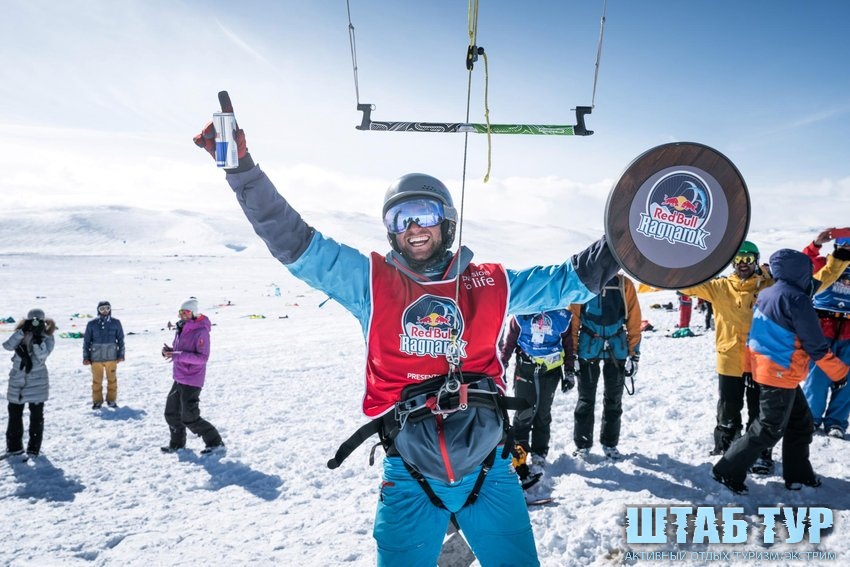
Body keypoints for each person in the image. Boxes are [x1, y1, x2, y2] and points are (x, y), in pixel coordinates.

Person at [194, 119, 619, 566]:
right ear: (391, 231)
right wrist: (242, 170)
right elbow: (295, 242)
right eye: (400, 218)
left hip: (490, 473)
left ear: (447, 222)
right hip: (409, 476)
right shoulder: (370, 282)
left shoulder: (491, 283)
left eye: (425, 213)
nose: (414, 226)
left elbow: (568, 280)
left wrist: (626, 241)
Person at [712, 249, 849, 494]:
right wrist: (839, 374)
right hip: (780, 372)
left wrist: (749, 368)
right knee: (768, 428)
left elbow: (754, 335)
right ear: (800, 271)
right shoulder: (797, 300)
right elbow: (815, 344)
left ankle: (799, 475)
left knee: (801, 423)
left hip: (771, 370)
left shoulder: (768, 293)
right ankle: (727, 470)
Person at [680, 241, 775, 471]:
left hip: (759, 360)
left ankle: (760, 453)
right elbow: (687, 286)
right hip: (729, 358)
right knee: (728, 407)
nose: (743, 264)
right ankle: (725, 446)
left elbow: (807, 284)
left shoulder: (770, 286)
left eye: (748, 259)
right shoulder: (720, 287)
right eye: (738, 259)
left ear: (756, 261)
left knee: (759, 409)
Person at [569, 273, 641, 460]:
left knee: (613, 400)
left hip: (616, 349)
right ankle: (583, 444)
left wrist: (634, 354)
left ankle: (610, 443)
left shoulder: (624, 284)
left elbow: (634, 319)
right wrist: (572, 353)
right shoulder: (584, 281)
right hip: (589, 348)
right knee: (585, 399)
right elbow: (573, 318)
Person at [499, 309, 574, 483]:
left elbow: (569, 344)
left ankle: (540, 454)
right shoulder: (521, 313)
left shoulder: (561, 315)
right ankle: (519, 456)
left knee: (543, 413)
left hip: (550, 372)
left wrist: (569, 370)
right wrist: (502, 365)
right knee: (523, 413)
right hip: (525, 369)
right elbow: (509, 342)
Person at [801, 228, 850, 439]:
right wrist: (816, 245)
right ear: (837, 247)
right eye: (844, 246)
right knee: (818, 376)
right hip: (824, 325)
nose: (848, 250)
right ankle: (810, 418)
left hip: (849, 330)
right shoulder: (824, 264)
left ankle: (836, 421)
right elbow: (803, 265)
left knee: (847, 379)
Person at [160, 298, 224, 455]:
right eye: (181, 312)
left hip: (192, 380)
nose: (183, 315)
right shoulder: (181, 328)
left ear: (194, 313)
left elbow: (202, 358)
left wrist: (177, 355)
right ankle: (177, 444)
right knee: (171, 413)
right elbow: (181, 349)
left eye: (186, 312)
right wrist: (170, 351)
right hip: (179, 377)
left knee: (190, 417)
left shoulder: (201, 331)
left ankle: (215, 443)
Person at [2, 309, 56, 459]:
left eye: (38, 320)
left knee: (36, 416)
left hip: (37, 381)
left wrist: (38, 340)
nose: (35, 323)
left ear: (43, 321)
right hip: (18, 381)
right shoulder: (21, 332)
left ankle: (34, 449)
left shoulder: (48, 337)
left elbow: (42, 356)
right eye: (32, 320)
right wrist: (21, 332)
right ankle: (14, 448)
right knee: (14, 414)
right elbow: (7, 346)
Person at [83, 300, 126, 409]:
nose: (105, 311)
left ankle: (111, 400)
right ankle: (97, 401)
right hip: (96, 358)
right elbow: (86, 342)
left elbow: (121, 340)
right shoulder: (92, 324)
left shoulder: (116, 323)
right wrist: (86, 357)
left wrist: (121, 355)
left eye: (107, 308)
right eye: (102, 309)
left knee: (112, 380)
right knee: (97, 381)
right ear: (98, 310)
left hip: (111, 357)